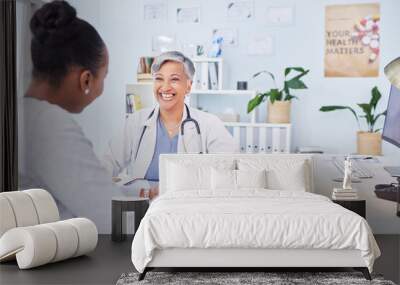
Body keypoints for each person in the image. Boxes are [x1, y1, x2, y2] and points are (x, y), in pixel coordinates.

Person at [19, 0, 121, 233]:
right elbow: (110, 215)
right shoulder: (49, 125)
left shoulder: (24, 114)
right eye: (103, 77)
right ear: (85, 80)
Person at [103, 51, 238, 195]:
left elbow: (229, 168)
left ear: (188, 86)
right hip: (143, 205)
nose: (165, 87)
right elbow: (106, 164)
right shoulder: (136, 122)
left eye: (174, 79)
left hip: (188, 204)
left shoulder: (209, 124)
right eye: (159, 79)